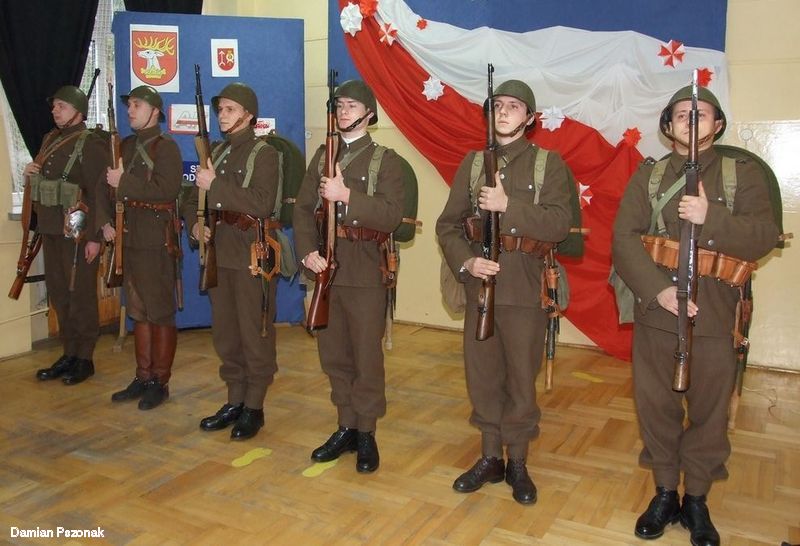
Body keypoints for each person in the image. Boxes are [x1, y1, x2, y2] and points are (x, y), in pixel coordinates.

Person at [612, 86, 779, 545]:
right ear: (668, 125)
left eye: (700, 114)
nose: (690, 120)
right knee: (656, 407)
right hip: (658, 312)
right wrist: (659, 291)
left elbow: (763, 236)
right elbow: (623, 239)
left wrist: (711, 217)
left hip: (716, 314)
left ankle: (697, 498)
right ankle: (666, 491)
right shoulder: (649, 176)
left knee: (709, 411)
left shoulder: (742, 174)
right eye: (681, 114)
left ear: (717, 124)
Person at [436, 80, 571, 505]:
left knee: (520, 378)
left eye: (514, 106)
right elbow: (448, 225)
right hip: (481, 286)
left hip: (526, 287)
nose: (504, 112)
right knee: (482, 375)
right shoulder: (473, 164)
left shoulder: (548, 164)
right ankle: (491, 456)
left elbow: (559, 225)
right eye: (497, 106)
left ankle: (518, 462)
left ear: (530, 117)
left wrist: (508, 206)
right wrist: (467, 262)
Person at [293, 79, 404, 473]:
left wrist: (347, 197)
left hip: (364, 269)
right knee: (333, 353)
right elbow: (302, 210)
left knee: (365, 355)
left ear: (369, 114)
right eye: (339, 105)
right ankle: (346, 425)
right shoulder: (322, 155)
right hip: (326, 268)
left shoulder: (385, 160)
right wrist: (307, 252)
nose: (343, 112)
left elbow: (392, 216)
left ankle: (367, 431)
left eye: (352, 106)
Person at [181, 83, 280, 441]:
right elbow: (190, 198)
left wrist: (215, 186)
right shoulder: (218, 153)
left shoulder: (264, 154)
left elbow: (262, 203)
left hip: (251, 254)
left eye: (230, 109)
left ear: (248, 115)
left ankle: (254, 406)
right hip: (219, 254)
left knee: (255, 334)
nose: (222, 116)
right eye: (220, 109)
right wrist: (196, 225)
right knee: (226, 334)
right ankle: (234, 400)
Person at [101, 85, 182, 411]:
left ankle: (159, 381)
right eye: (130, 105)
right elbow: (105, 187)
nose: (130, 110)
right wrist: (105, 222)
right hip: (129, 237)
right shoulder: (126, 146)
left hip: (156, 241)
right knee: (137, 310)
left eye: (137, 105)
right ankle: (143, 375)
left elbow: (166, 190)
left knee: (159, 311)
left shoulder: (166, 148)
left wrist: (124, 182)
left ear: (155, 111)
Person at [28, 85, 108, 386]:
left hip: (78, 232)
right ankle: (69, 352)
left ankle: (85, 357)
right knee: (60, 293)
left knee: (80, 294)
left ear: (78, 111)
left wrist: (95, 237)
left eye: (61, 106)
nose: (55, 111)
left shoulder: (91, 143)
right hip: (51, 227)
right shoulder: (50, 139)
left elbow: (99, 193)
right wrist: (30, 171)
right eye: (54, 106)